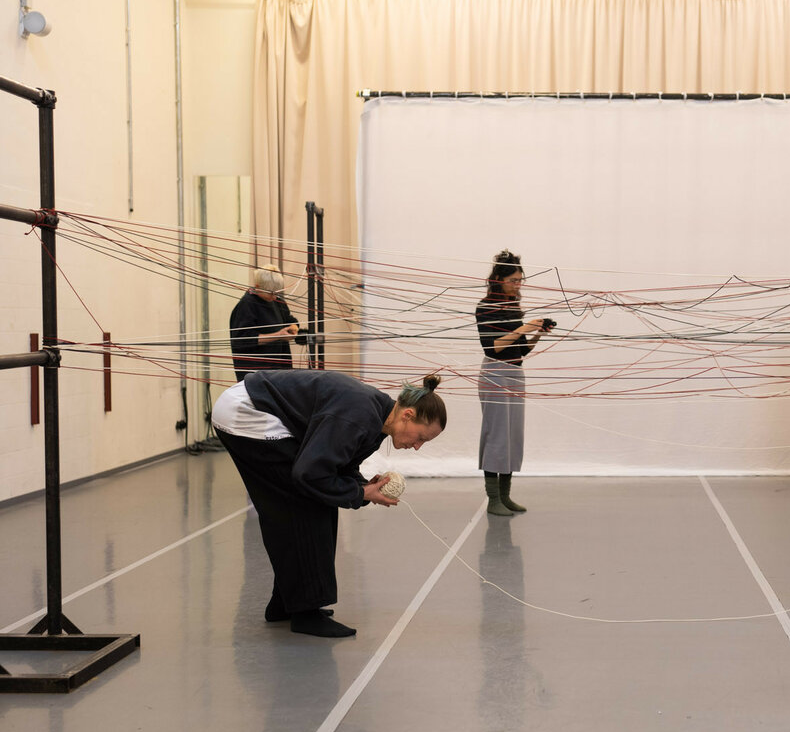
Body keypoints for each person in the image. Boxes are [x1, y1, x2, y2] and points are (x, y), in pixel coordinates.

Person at [212, 370, 446, 637]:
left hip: (252, 407)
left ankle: (287, 604)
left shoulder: (378, 418)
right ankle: (304, 613)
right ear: (408, 415)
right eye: (421, 438)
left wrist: (361, 485)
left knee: (307, 502)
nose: (417, 446)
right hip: (247, 412)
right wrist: (360, 494)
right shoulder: (359, 416)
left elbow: (339, 464)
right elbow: (310, 474)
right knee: (305, 503)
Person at [475, 250, 548, 516]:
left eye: (520, 280)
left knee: (513, 435)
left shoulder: (513, 308)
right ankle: (493, 498)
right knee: (496, 434)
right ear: (499, 279)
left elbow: (521, 350)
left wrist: (537, 334)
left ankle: (505, 496)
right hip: (495, 373)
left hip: (516, 374)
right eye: (514, 280)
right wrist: (523, 328)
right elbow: (492, 347)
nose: (518, 285)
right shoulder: (485, 308)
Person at [229, 265, 306, 381]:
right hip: (256, 374)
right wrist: (278, 335)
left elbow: (290, 320)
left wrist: (293, 328)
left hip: (280, 370)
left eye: (277, 292)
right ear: (257, 287)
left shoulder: (276, 300)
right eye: (270, 293)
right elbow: (242, 339)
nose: (274, 296)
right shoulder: (247, 305)